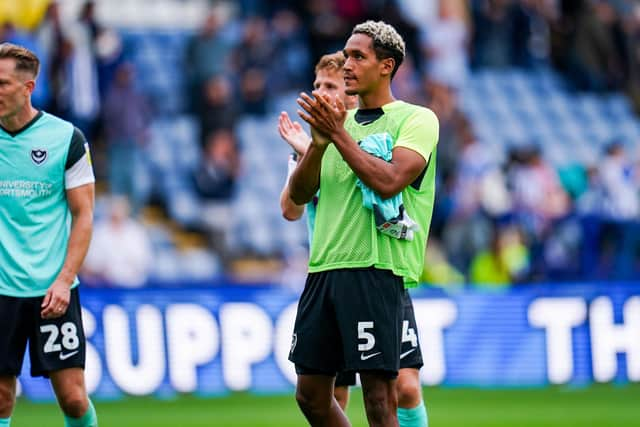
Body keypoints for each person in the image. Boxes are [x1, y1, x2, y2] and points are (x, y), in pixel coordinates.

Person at [288, 21, 439, 427]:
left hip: (373, 270)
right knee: (311, 395)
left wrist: (336, 135)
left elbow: (389, 182)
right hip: (323, 270)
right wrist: (317, 147)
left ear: (386, 66)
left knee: (379, 398)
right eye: (346, 54)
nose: (347, 64)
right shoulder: (338, 127)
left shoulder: (416, 119)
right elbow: (300, 195)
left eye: (359, 57)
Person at [0, 43, 98, 427]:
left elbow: (84, 215)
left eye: (3, 83)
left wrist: (63, 279)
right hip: (2, 289)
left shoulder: (65, 139)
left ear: (28, 88)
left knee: (73, 398)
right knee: (1, 397)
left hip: (52, 290)